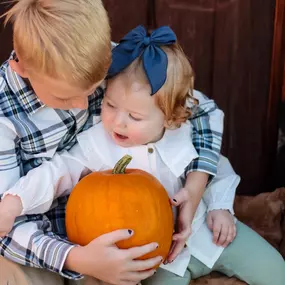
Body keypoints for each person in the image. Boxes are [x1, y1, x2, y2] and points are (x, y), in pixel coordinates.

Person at [1, 26, 285, 285]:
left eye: (134, 116)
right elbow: (57, 172)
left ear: (170, 118)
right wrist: (15, 201)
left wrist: (220, 207)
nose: (117, 122)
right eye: (110, 105)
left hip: (210, 233)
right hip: (161, 260)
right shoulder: (95, 143)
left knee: (275, 269)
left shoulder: (183, 132)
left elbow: (217, 167)